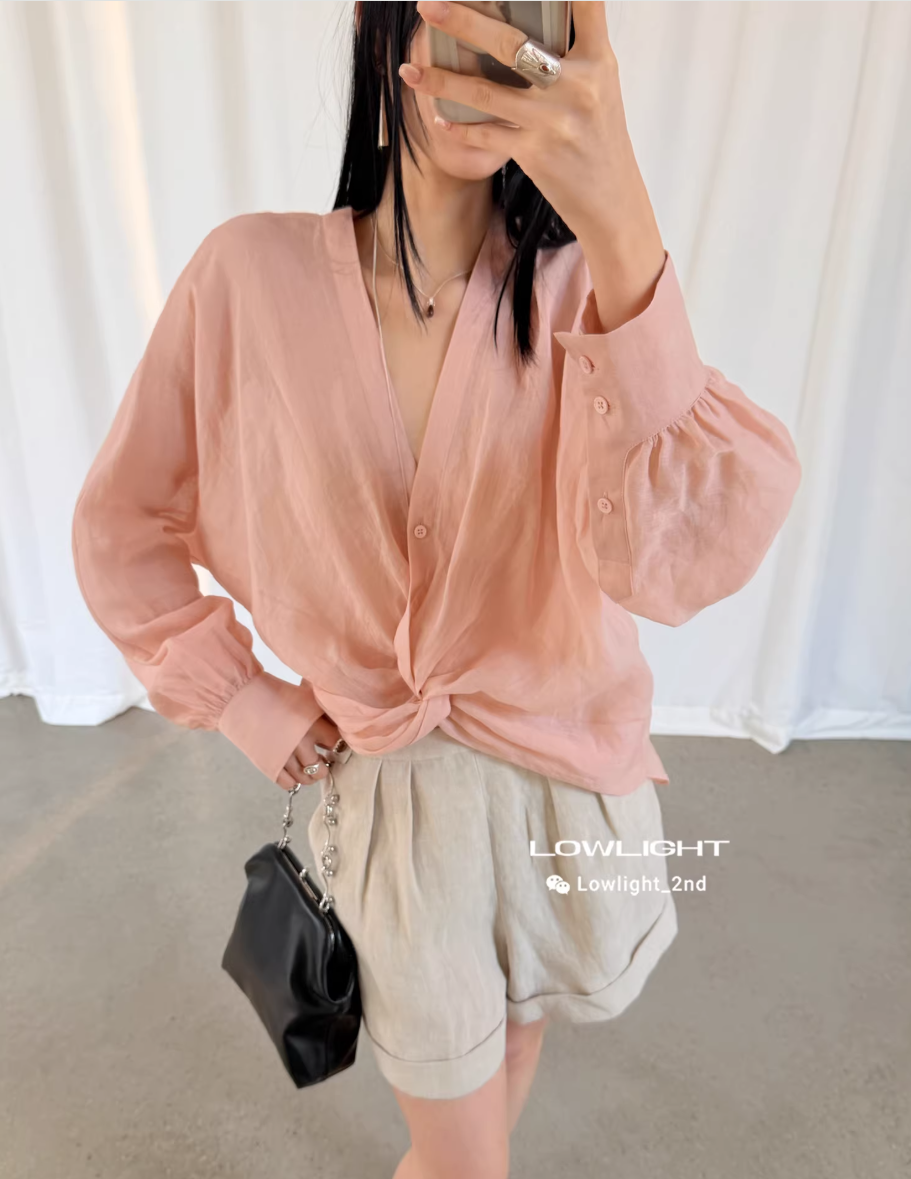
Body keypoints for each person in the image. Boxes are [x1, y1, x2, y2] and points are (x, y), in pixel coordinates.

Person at [71, 3, 802, 1176]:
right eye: (466, 18)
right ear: (390, 35)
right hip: (396, 818)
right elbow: (121, 523)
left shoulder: (588, 295)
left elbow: (680, 564)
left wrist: (619, 211)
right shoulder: (247, 277)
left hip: (565, 795)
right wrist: (245, 698)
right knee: (464, 1159)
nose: (496, 59)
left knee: (490, 1109)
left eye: (528, 28)